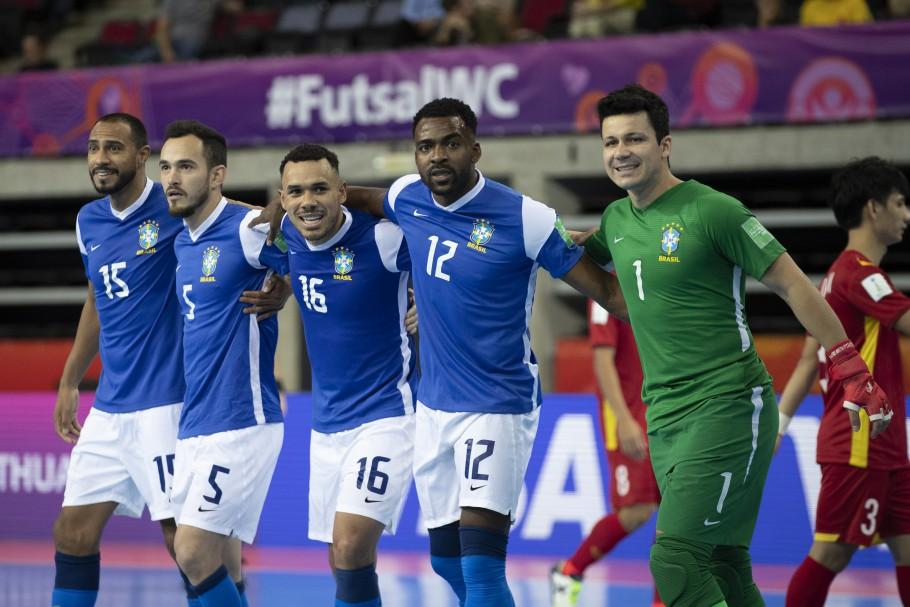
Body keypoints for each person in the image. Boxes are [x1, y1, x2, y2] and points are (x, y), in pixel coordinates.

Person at [299, 97, 627, 606]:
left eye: (450, 143)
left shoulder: (528, 218)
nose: (436, 156)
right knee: (446, 561)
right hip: (434, 408)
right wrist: (276, 210)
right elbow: (351, 199)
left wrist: (681, 307)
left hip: (497, 406)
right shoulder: (408, 196)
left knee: (480, 568)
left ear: (474, 149)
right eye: (425, 146)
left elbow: (607, 294)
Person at [580, 84, 890, 606]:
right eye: (610, 143)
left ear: (665, 145)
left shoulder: (713, 211)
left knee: (674, 561)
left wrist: (850, 368)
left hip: (726, 403)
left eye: (634, 138)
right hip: (665, 416)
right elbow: (609, 292)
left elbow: (795, 285)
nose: (621, 152)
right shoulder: (614, 221)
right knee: (723, 563)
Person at [51, 113, 285, 607]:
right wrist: (72, 378)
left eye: (113, 148)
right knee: (72, 533)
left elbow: (244, 219)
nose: (100, 159)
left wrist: (279, 284)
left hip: (169, 403)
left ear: (140, 158)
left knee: (188, 543)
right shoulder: (87, 221)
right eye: (93, 148)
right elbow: (97, 297)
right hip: (110, 404)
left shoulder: (174, 200)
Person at [277, 143, 418, 607]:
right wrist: (278, 288)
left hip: (386, 416)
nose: (307, 201)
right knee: (339, 557)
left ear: (342, 191)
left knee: (353, 544)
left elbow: (451, 258)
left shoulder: (382, 239)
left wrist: (432, 306)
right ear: (282, 198)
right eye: (295, 192)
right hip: (326, 425)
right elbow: (261, 250)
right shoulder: (284, 234)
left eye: (320, 189)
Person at [162, 120, 287, 607]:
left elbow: (318, 247)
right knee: (217, 561)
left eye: (187, 167)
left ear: (217, 176)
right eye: (167, 167)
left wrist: (288, 287)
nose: (173, 178)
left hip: (242, 420)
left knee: (190, 551)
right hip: (196, 422)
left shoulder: (246, 226)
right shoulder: (181, 241)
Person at [777, 157, 910, 607]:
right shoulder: (859, 274)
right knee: (830, 553)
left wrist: (779, 424)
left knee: (908, 550)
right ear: (875, 209)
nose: (907, 214)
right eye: (900, 203)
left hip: (886, 448)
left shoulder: (833, 276)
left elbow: (804, 364)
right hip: (859, 446)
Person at [550, 300, 661, 607]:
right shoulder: (605, 289)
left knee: (675, 510)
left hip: (664, 408)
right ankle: (570, 570)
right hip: (627, 415)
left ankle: (662, 601)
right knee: (637, 511)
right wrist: (624, 420)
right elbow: (602, 360)